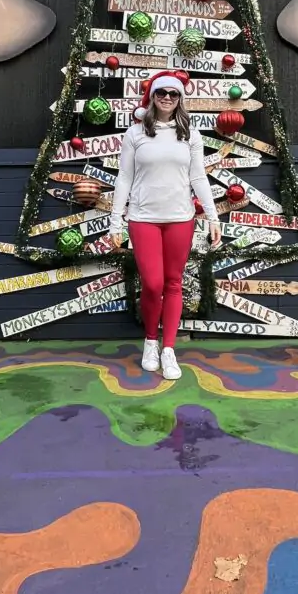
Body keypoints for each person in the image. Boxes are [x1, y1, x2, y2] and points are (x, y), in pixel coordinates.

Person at [109, 70, 222, 379]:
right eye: (162, 93)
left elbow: (198, 177)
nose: (168, 98)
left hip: (180, 218)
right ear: (153, 96)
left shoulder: (190, 134)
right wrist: (115, 223)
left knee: (173, 283)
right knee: (153, 284)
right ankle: (150, 341)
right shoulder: (135, 134)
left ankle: (169, 349)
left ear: (180, 98)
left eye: (174, 94)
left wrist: (213, 217)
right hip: (143, 218)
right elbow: (124, 179)